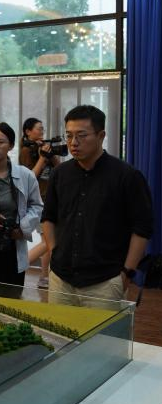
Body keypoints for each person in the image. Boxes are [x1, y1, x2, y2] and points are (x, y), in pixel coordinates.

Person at [41, 105, 154, 308]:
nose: (73, 143)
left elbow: (142, 228)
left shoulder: (127, 176)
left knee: (102, 331)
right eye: (69, 135)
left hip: (105, 281)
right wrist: (53, 251)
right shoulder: (60, 173)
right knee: (57, 329)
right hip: (61, 278)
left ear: (101, 136)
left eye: (81, 135)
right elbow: (48, 217)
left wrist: (127, 273)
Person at [0, 123, 43, 298]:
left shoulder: (25, 175)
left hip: (13, 241)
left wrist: (22, 228)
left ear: (11, 146)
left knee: (12, 297)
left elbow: (37, 205)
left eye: (1, 142)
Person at [19, 117, 62, 289]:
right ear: (28, 131)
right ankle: (18, 265)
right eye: (39, 128)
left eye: (43, 129)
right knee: (49, 241)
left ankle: (44, 277)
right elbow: (30, 177)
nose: (42, 131)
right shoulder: (26, 151)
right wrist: (43, 158)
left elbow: (60, 169)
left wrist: (51, 154)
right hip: (38, 200)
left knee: (47, 240)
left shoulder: (43, 147)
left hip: (50, 198)